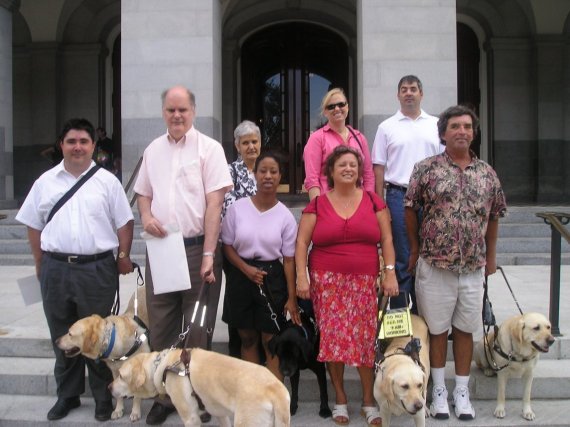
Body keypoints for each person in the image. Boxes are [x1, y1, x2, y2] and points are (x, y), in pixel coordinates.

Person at [16, 118, 134, 422]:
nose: (78, 147)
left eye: (84, 141)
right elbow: (33, 224)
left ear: (93, 146)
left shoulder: (107, 181)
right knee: (62, 335)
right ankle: (66, 396)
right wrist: (40, 262)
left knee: (96, 339)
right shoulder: (45, 182)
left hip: (96, 270)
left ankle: (102, 398)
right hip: (56, 268)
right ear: (62, 145)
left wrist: (123, 255)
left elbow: (125, 222)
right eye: (71, 141)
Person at [133, 86, 232, 425]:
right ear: (163, 112)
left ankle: (197, 393)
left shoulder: (210, 149)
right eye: (170, 110)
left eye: (182, 110)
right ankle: (164, 396)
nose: (176, 116)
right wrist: (146, 217)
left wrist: (208, 254)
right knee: (160, 325)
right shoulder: (152, 149)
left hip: (197, 249)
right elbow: (143, 194)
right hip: (161, 249)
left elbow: (215, 204)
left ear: (193, 111)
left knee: (198, 327)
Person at [404, 105, 507, 421]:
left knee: (465, 329)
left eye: (467, 126)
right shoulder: (426, 169)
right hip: (435, 265)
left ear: (473, 132)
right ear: (444, 133)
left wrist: (491, 257)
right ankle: (438, 391)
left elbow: (494, 217)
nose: (462, 131)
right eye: (455, 127)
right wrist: (414, 249)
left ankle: (461, 391)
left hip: (473, 267)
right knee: (436, 330)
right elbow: (410, 208)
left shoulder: (487, 173)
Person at [296, 145, 398, 426]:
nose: (348, 168)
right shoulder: (316, 204)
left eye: (353, 164)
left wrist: (389, 272)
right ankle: (340, 398)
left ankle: (368, 399)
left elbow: (387, 240)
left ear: (359, 170)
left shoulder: (374, 201)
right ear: (330, 170)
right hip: (326, 283)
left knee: (365, 340)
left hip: (365, 282)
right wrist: (301, 277)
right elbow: (302, 243)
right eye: (342, 164)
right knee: (333, 341)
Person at [221, 152, 301, 378]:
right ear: (254, 175)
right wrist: (246, 269)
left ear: (279, 177)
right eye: (262, 171)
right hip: (240, 274)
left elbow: (288, 259)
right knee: (247, 337)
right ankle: (253, 392)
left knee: (270, 339)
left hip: (271, 277)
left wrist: (292, 297)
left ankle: (274, 393)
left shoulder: (285, 216)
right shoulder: (237, 208)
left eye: (273, 172)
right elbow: (227, 245)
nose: (267, 176)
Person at [371, 75, 442, 311]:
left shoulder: (436, 124)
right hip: (398, 196)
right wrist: (380, 206)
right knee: (402, 258)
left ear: (421, 93)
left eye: (413, 89)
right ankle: (401, 320)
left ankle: (424, 315)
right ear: (398, 95)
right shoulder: (386, 127)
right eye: (404, 89)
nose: (409, 93)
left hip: (432, 199)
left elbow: (445, 162)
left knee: (430, 258)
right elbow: (378, 169)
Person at [221, 120, 262, 358]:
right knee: (238, 301)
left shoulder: (265, 169)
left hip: (263, 249)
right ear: (237, 146)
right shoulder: (229, 171)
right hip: (236, 248)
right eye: (245, 142)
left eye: (254, 141)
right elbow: (230, 206)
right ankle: (236, 352)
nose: (250, 147)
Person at [303, 87, 375, 200]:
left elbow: (368, 175)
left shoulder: (360, 138)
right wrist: (317, 208)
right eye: (331, 106)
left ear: (347, 107)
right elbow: (312, 179)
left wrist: (369, 202)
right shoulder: (317, 138)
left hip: (358, 205)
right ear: (325, 112)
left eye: (341, 104)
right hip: (329, 205)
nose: (337, 109)